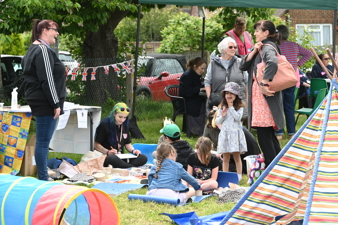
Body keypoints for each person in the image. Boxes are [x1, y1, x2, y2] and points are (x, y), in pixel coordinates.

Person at [21, 19, 66, 181]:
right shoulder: (43, 51)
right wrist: (55, 103)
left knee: (42, 141)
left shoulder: (33, 49)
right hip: (46, 102)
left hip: (40, 100)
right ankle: (43, 177)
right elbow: (47, 79)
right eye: (55, 30)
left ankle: (43, 175)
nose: (57, 33)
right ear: (45, 30)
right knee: (43, 142)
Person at [239, 20, 284, 167]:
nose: (254, 33)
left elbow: (273, 62)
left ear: (266, 33)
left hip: (264, 99)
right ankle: (277, 168)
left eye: (257, 31)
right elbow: (243, 65)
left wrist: (264, 82)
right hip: (260, 99)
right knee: (268, 135)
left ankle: (271, 169)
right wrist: (253, 51)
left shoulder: (267, 48)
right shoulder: (261, 48)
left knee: (264, 136)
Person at [275, 25, 312, 140]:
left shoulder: (276, 46)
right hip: (291, 79)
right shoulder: (294, 45)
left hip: (279, 79)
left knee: (279, 106)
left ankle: (279, 132)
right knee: (289, 106)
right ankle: (291, 132)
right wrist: (298, 64)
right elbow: (309, 53)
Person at [94, 102, 148, 168]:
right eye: (120, 117)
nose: (122, 120)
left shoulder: (125, 125)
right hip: (107, 156)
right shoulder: (105, 125)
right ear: (114, 114)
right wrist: (108, 152)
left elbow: (128, 144)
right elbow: (96, 145)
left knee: (143, 158)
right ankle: (130, 167)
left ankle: (126, 166)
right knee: (112, 158)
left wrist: (134, 151)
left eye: (125, 117)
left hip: (121, 156)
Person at [205, 37, 248, 114]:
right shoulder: (213, 63)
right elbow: (207, 81)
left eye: (235, 47)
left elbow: (247, 82)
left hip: (238, 103)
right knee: (218, 124)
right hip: (219, 102)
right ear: (223, 49)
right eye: (230, 47)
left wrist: (247, 100)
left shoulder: (240, 62)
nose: (233, 49)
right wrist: (209, 97)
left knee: (237, 124)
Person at [215, 82, 247, 180]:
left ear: (236, 95)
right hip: (225, 134)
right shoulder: (222, 107)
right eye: (227, 93)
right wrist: (223, 115)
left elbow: (238, 118)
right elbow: (217, 121)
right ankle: (226, 175)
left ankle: (239, 176)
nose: (229, 95)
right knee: (226, 157)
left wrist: (231, 107)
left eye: (231, 93)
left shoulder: (239, 107)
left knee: (237, 156)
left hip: (235, 135)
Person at [179, 57, 206, 137]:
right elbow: (186, 91)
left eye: (204, 69)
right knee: (203, 106)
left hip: (194, 98)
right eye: (201, 68)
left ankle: (201, 130)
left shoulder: (195, 75)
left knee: (206, 103)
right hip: (187, 101)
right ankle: (196, 130)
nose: (203, 71)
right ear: (195, 66)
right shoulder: (187, 76)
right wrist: (200, 89)